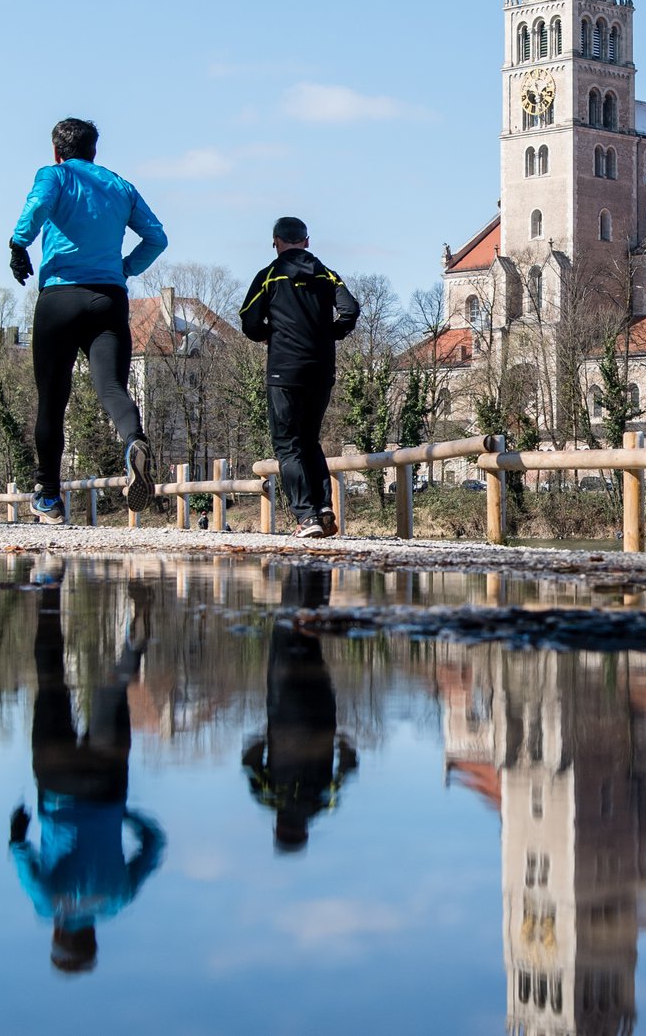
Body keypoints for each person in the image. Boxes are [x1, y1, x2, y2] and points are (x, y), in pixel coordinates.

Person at [9, 118, 167, 525]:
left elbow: (38, 204)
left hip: (60, 298)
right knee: (112, 387)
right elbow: (157, 237)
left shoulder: (55, 175)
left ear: (57, 151)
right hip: (108, 298)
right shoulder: (120, 186)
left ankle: (48, 497)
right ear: (94, 151)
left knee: (53, 399)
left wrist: (19, 243)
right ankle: (134, 440)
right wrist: (126, 268)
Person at [9, 570, 165, 974]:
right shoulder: (49, 905)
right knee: (51, 683)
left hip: (107, 783)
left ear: (93, 936)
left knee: (114, 687)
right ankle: (48, 589)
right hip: (57, 781)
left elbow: (155, 843)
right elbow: (19, 852)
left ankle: (137, 632)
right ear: (58, 937)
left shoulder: (118, 899)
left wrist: (122, 813)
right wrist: (18, 827)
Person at [239, 217, 360, 539]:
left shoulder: (268, 276)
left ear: (276, 242)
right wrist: (329, 334)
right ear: (307, 241)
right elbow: (350, 309)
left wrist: (272, 335)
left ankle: (306, 517)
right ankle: (323, 508)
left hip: (284, 369)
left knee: (288, 445)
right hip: (321, 368)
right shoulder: (326, 274)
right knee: (310, 441)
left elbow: (249, 322)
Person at [243, 564, 358, 853]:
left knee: (311, 638)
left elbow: (349, 765)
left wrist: (341, 739)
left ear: (304, 830)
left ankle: (317, 568)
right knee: (286, 631)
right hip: (283, 712)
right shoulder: (271, 799)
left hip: (321, 713)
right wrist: (261, 737)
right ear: (279, 828)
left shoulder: (323, 802)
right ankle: (299, 566)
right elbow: (250, 760)